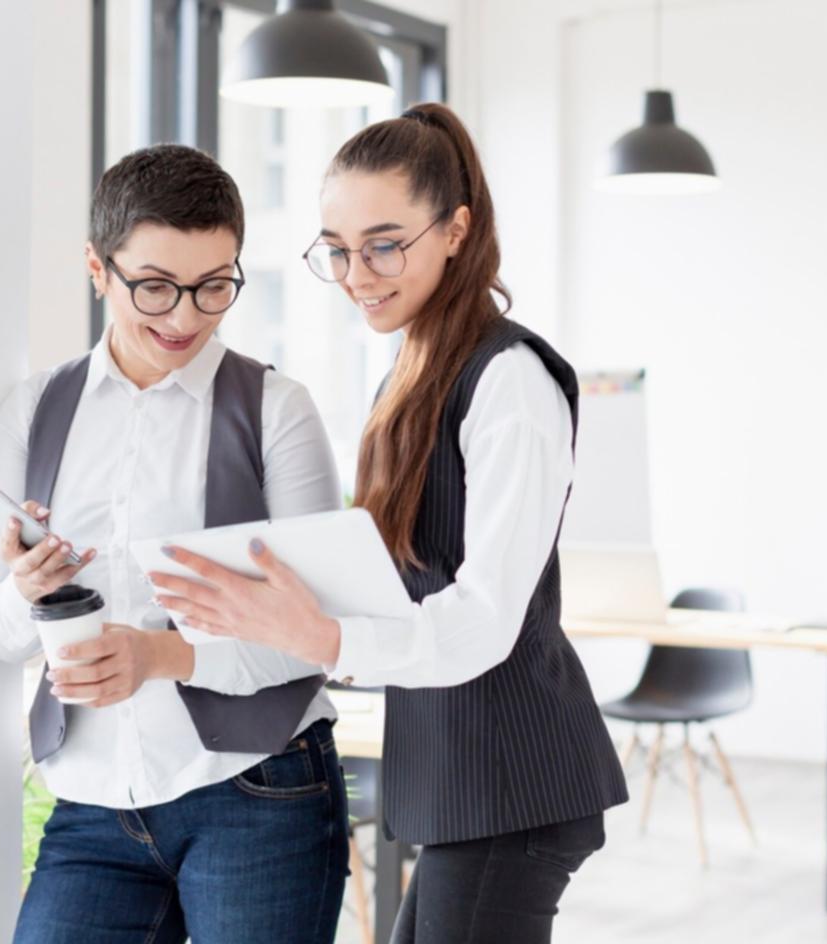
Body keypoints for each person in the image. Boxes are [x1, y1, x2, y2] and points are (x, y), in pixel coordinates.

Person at [150, 103, 629, 944]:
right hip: (462, 780)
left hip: (510, 782)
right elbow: (399, 578)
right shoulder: (411, 374)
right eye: (336, 249)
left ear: (455, 229)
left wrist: (321, 637)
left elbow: (483, 617)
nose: (355, 273)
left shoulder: (507, 380)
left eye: (383, 244)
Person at [0, 144, 349, 944]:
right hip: (92, 801)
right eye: (154, 287)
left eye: (215, 286)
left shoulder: (276, 411)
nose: (184, 317)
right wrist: (26, 593)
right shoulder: (35, 409)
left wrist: (161, 657)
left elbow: (317, 635)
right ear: (96, 267)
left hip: (257, 790)